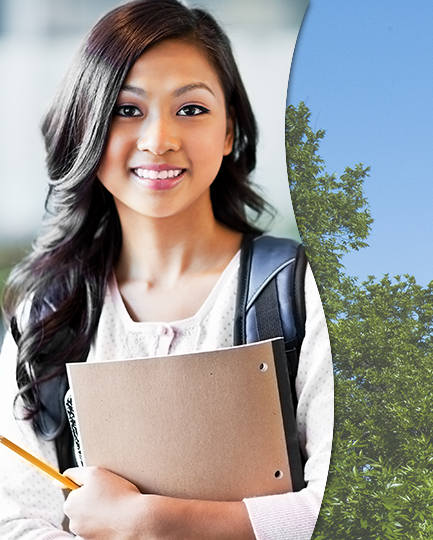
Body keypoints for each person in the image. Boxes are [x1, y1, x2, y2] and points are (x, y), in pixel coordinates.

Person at [0, 1, 332, 538]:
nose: (159, 140)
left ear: (230, 132)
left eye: (192, 109)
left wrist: (150, 521)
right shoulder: (48, 315)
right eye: (127, 110)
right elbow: (15, 521)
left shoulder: (303, 291)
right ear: (87, 126)